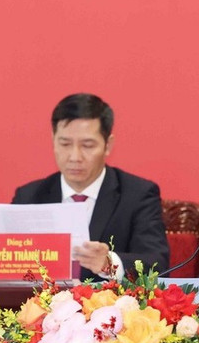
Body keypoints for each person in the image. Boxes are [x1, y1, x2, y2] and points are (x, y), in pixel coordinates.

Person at [12, 93, 169, 281]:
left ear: (108, 145)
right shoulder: (28, 197)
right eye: (65, 144)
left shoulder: (138, 195)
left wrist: (109, 263)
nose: (75, 157)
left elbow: (158, 264)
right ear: (53, 140)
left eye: (87, 145)